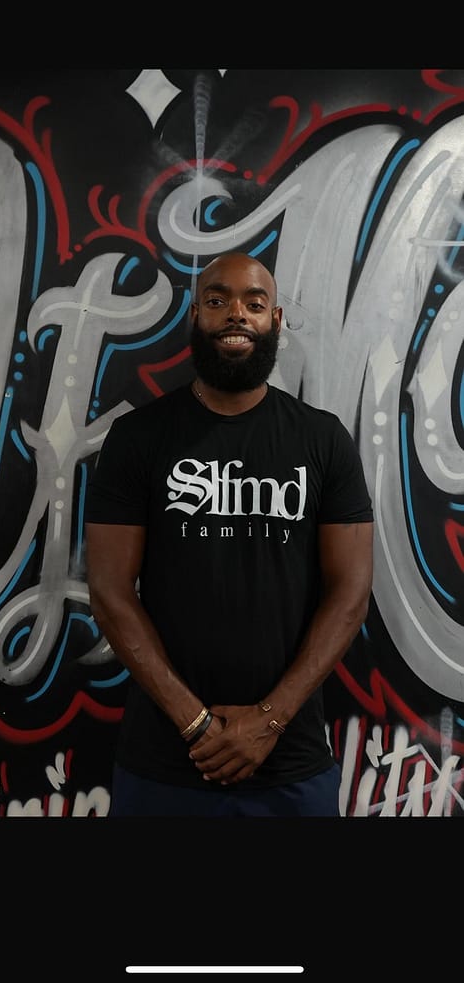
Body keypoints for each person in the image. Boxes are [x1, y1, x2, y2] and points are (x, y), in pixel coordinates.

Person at [84, 251, 374, 817]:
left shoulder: (323, 440)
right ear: (195, 317)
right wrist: (196, 724)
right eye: (217, 301)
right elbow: (109, 592)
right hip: (166, 762)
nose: (235, 314)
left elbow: (351, 595)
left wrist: (268, 721)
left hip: (290, 761)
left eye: (253, 303)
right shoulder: (137, 438)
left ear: (276, 322)